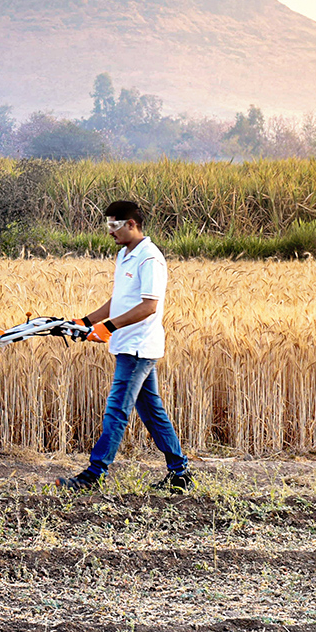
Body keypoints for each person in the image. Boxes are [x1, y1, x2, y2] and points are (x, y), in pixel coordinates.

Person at [59, 200, 193, 492]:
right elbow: (118, 300)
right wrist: (84, 321)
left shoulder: (149, 258)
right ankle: (180, 472)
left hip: (138, 348)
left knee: (116, 411)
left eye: (115, 226)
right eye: (108, 225)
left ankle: (94, 475)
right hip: (126, 344)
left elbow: (148, 306)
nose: (110, 232)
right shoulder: (124, 254)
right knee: (152, 412)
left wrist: (106, 327)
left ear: (132, 224)